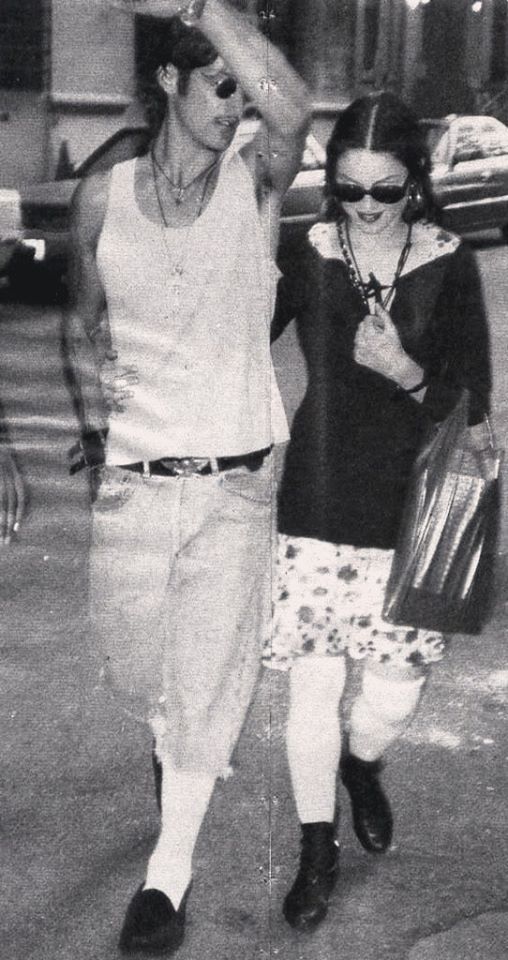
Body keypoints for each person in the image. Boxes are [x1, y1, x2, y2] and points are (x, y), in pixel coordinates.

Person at [66, 0, 309, 954]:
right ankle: (177, 746)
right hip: (135, 483)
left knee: (207, 682)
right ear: (168, 81)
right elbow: (81, 319)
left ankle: (168, 875)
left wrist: (206, 9)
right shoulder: (105, 197)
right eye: (218, 86)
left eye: (240, 90)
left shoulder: (256, 183)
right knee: (140, 671)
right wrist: (97, 406)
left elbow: (291, 109)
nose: (235, 106)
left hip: (233, 485)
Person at [265, 92, 492, 932]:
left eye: (385, 190)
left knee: (392, 696)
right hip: (318, 495)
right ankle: (314, 846)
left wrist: (407, 373)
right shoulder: (309, 250)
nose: (365, 205)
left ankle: (362, 765)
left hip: (411, 510)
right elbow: (239, 339)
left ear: (416, 182)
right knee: (312, 688)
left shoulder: (449, 262)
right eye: (349, 188)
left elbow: (474, 408)